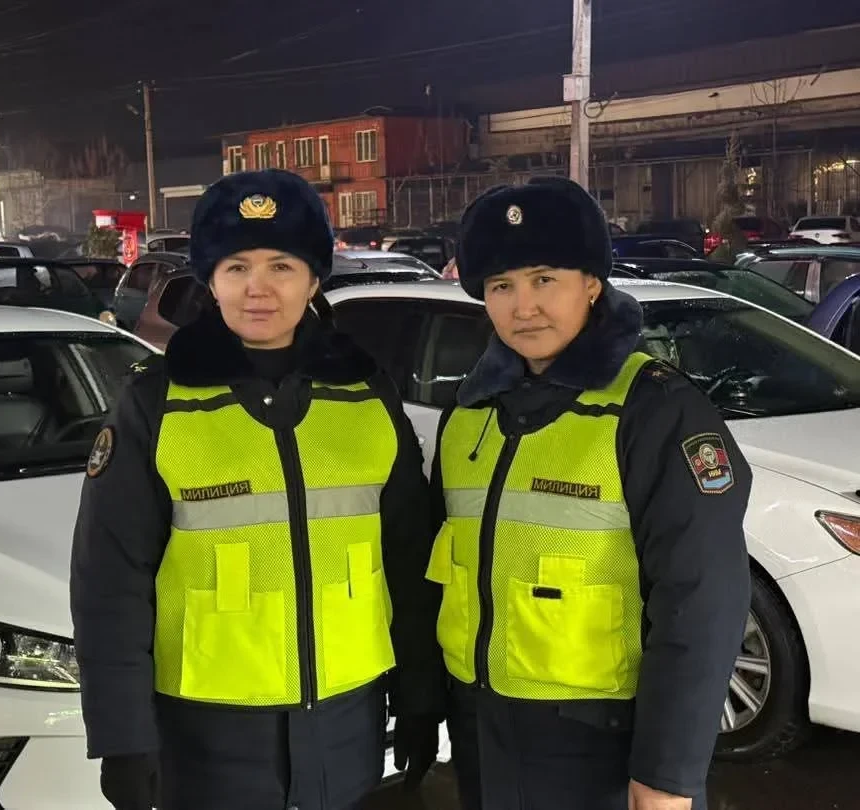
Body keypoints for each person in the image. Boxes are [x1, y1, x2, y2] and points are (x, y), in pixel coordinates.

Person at [71, 168, 445, 810]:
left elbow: (410, 561)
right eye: (237, 267)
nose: (258, 288)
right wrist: (123, 736)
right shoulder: (158, 405)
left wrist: (418, 695)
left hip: (347, 726)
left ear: (314, 280)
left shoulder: (365, 397)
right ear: (211, 279)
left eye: (282, 266)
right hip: (206, 735)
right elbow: (110, 583)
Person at [428, 177, 752, 810]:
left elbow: (702, 604)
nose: (523, 307)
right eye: (501, 286)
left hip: (602, 750)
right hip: (483, 737)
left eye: (544, 279)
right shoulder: (468, 416)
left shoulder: (653, 410)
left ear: (592, 285)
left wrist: (667, 775)